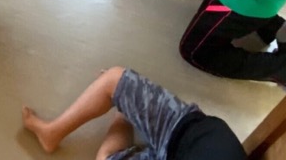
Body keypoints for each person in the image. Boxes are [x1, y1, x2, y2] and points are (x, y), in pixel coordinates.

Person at [22, 66, 247, 160]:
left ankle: (124, 112)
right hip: (185, 125)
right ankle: (52, 132)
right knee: (113, 78)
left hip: (184, 139)